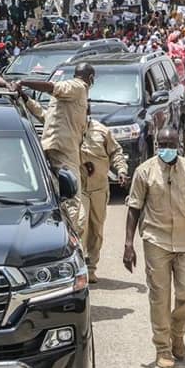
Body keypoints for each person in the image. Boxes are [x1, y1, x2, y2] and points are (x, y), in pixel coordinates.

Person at [123, 128, 185, 368]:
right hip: (156, 240)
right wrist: (128, 244)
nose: (166, 147)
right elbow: (134, 207)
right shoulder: (144, 171)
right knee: (159, 297)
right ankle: (163, 348)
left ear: (179, 145)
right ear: (156, 144)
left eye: (171, 143)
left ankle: (178, 333)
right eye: (162, 143)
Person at [15, 63, 95, 231]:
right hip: (64, 151)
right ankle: (69, 238)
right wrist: (25, 82)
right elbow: (53, 87)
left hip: (54, 148)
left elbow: (45, 116)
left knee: (56, 197)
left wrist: (26, 98)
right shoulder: (78, 87)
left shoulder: (65, 102)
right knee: (73, 199)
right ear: (91, 79)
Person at [78, 114, 129, 283]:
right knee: (81, 225)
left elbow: (116, 152)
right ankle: (78, 268)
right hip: (79, 189)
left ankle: (91, 267)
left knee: (96, 229)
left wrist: (121, 170)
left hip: (99, 188)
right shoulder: (70, 129)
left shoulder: (102, 131)